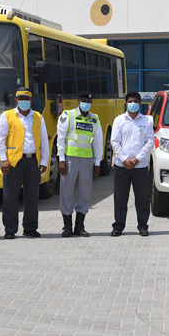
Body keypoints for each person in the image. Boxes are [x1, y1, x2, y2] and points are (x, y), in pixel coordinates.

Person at [0, 88, 49, 239]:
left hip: (33, 161)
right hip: (13, 162)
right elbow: (0, 139)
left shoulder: (38, 117)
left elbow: (44, 140)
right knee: (10, 197)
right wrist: (3, 159)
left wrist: (44, 160)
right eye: (21, 98)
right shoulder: (7, 116)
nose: (23, 101)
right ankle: (10, 229)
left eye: (26, 98)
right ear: (16, 100)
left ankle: (30, 228)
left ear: (31, 100)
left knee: (32, 197)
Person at [57, 91, 104, 238]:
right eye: (84, 101)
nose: (86, 104)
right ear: (78, 101)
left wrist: (98, 162)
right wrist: (61, 159)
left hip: (86, 161)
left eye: (89, 102)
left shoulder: (94, 119)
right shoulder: (68, 115)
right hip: (69, 160)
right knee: (67, 192)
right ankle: (67, 226)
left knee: (85, 193)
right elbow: (60, 138)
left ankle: (79, 226)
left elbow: (98, 141)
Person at [110, 91, 154, 237]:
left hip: (140, 166)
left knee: (142, 198)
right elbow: (114, 142)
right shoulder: (119, 120)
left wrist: (137, 159)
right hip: (122, 165)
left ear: (140, 103)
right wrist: (124, 159)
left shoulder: (147, 121)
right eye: (130, 101)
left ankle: (143, 226)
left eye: (135, 101)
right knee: (120, 197)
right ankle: (118, 226)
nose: (133, 104)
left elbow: (150, 142)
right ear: (126, 103)